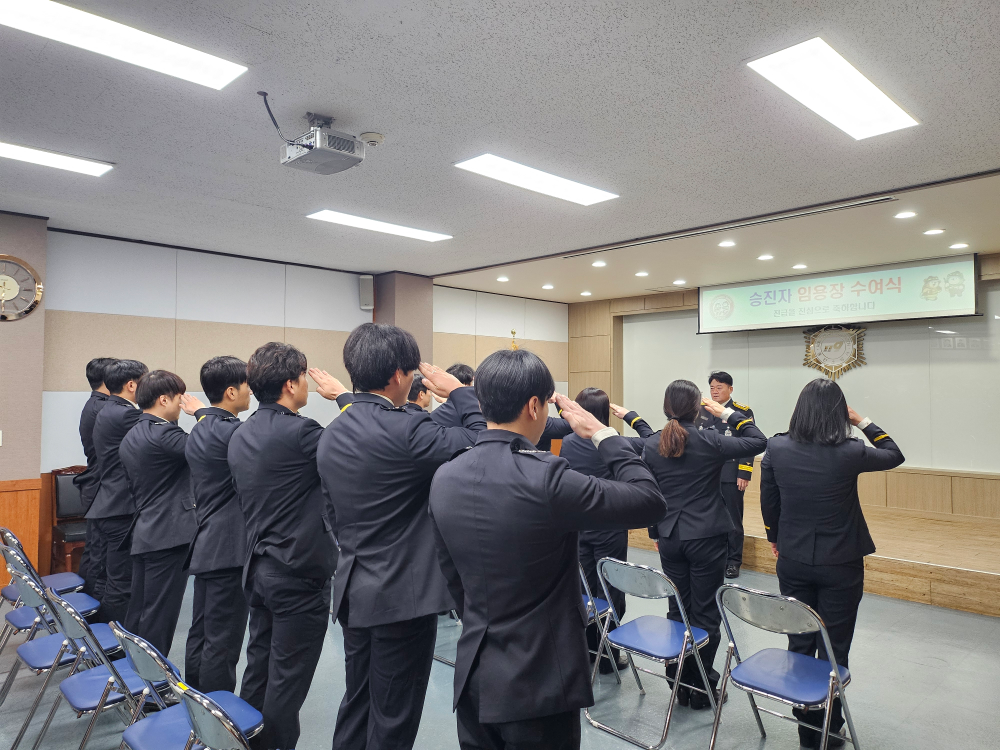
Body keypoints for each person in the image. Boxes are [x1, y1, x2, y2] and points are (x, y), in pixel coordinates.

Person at [428, 349, 667, 750]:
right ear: (535, 405)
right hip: (540, 678)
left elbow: (452, 575)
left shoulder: (445, 474)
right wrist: (602, 434)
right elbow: (649, 499)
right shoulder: (545, 478)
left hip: (474, 673)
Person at [317, 323, 485, 750]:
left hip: (354, 588)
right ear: (397, 375)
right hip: (402, 595)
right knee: (395, 713)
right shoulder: (408, 431)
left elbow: (332, 512)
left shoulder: (333, 431)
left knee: (357, 702)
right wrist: (460, 392)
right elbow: (484, 438)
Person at [760, 378, 903, 748]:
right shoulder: (851, 451)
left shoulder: (776, 447)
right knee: (835, 647)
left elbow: (769, 501)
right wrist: (863, 421)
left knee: (800, 639)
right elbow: (893, 453)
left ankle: (806, 722)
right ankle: (829, 727)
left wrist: (775, 537)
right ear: (839, 413)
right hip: (841, 561)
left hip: (792, 557)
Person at [228, 342, 337, 750]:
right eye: (304, 376)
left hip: (258, 569)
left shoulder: (241, 434)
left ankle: (244, 741)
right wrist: (344, 398)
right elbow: (354, 447)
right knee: (287, 683)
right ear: (292, 384)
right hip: (297, 575)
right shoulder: (303, 433)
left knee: (259, 668)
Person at [643, 379, 766, 709]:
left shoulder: (652, 443)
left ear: (666, 407)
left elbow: (651, 494)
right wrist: (727, 413)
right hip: (707, 536)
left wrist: (656, 534)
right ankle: (701, 684)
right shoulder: (710, 440)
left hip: (670, 537)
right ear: (698, 407)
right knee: (706, 612)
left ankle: (679, 679)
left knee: (677, 608)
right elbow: (757, 440)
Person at [559, 387, 654, 674]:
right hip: (610, 526)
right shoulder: (616, 443)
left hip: (578, 524)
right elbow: (653, 441)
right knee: (611, 589)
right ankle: (608, 654)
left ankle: (588, 648)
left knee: (585, 588)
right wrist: (632, 417)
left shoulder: (566, 441)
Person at [119, 370, 202, 655]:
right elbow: (206, 447)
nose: (183, 404)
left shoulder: (133, 433)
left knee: (140, 610)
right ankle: (154, 691)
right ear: (164, 399)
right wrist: (203, 414)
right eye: (180, 398)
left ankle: (134, 678)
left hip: (146, 530)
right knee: (159, 616)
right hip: (169, 535)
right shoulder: (164, 434)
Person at [184, 356, 252, 694]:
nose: (250, 391)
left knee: (202, 631)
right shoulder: (234, 433)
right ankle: (217, 714)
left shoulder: (200, 428)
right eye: (246, 385)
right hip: (230, 549)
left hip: (208, 542)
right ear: (230, 391)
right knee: (222, 641)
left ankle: (194, 699)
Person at [85, 358, 148, 623]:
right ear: (132, 385)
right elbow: (155, 440)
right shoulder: (127, 414)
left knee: (110, 576)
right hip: (120, 506)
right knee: (121, 582)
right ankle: (112, 648)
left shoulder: (107, 408)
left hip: (108, 500)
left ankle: (100, 636)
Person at [704, 371, 757, 579]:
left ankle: (733, 561)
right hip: (706, 473)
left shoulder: (741, 411)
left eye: (719, 387)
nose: (715, 391)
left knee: (733, 519)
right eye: (712, 388)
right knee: (709, 516)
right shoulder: (702, 410)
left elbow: (750, 443)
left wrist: (744, 472)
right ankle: (715, 557)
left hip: (731, 472)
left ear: (730, 389)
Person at [73, 356, 117, 591]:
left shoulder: (95, 404)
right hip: (101, 487)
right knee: (99, 555)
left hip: (96, 485)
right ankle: (93, 615)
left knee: (94, 551)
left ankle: (85, 606)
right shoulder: (105, 409)